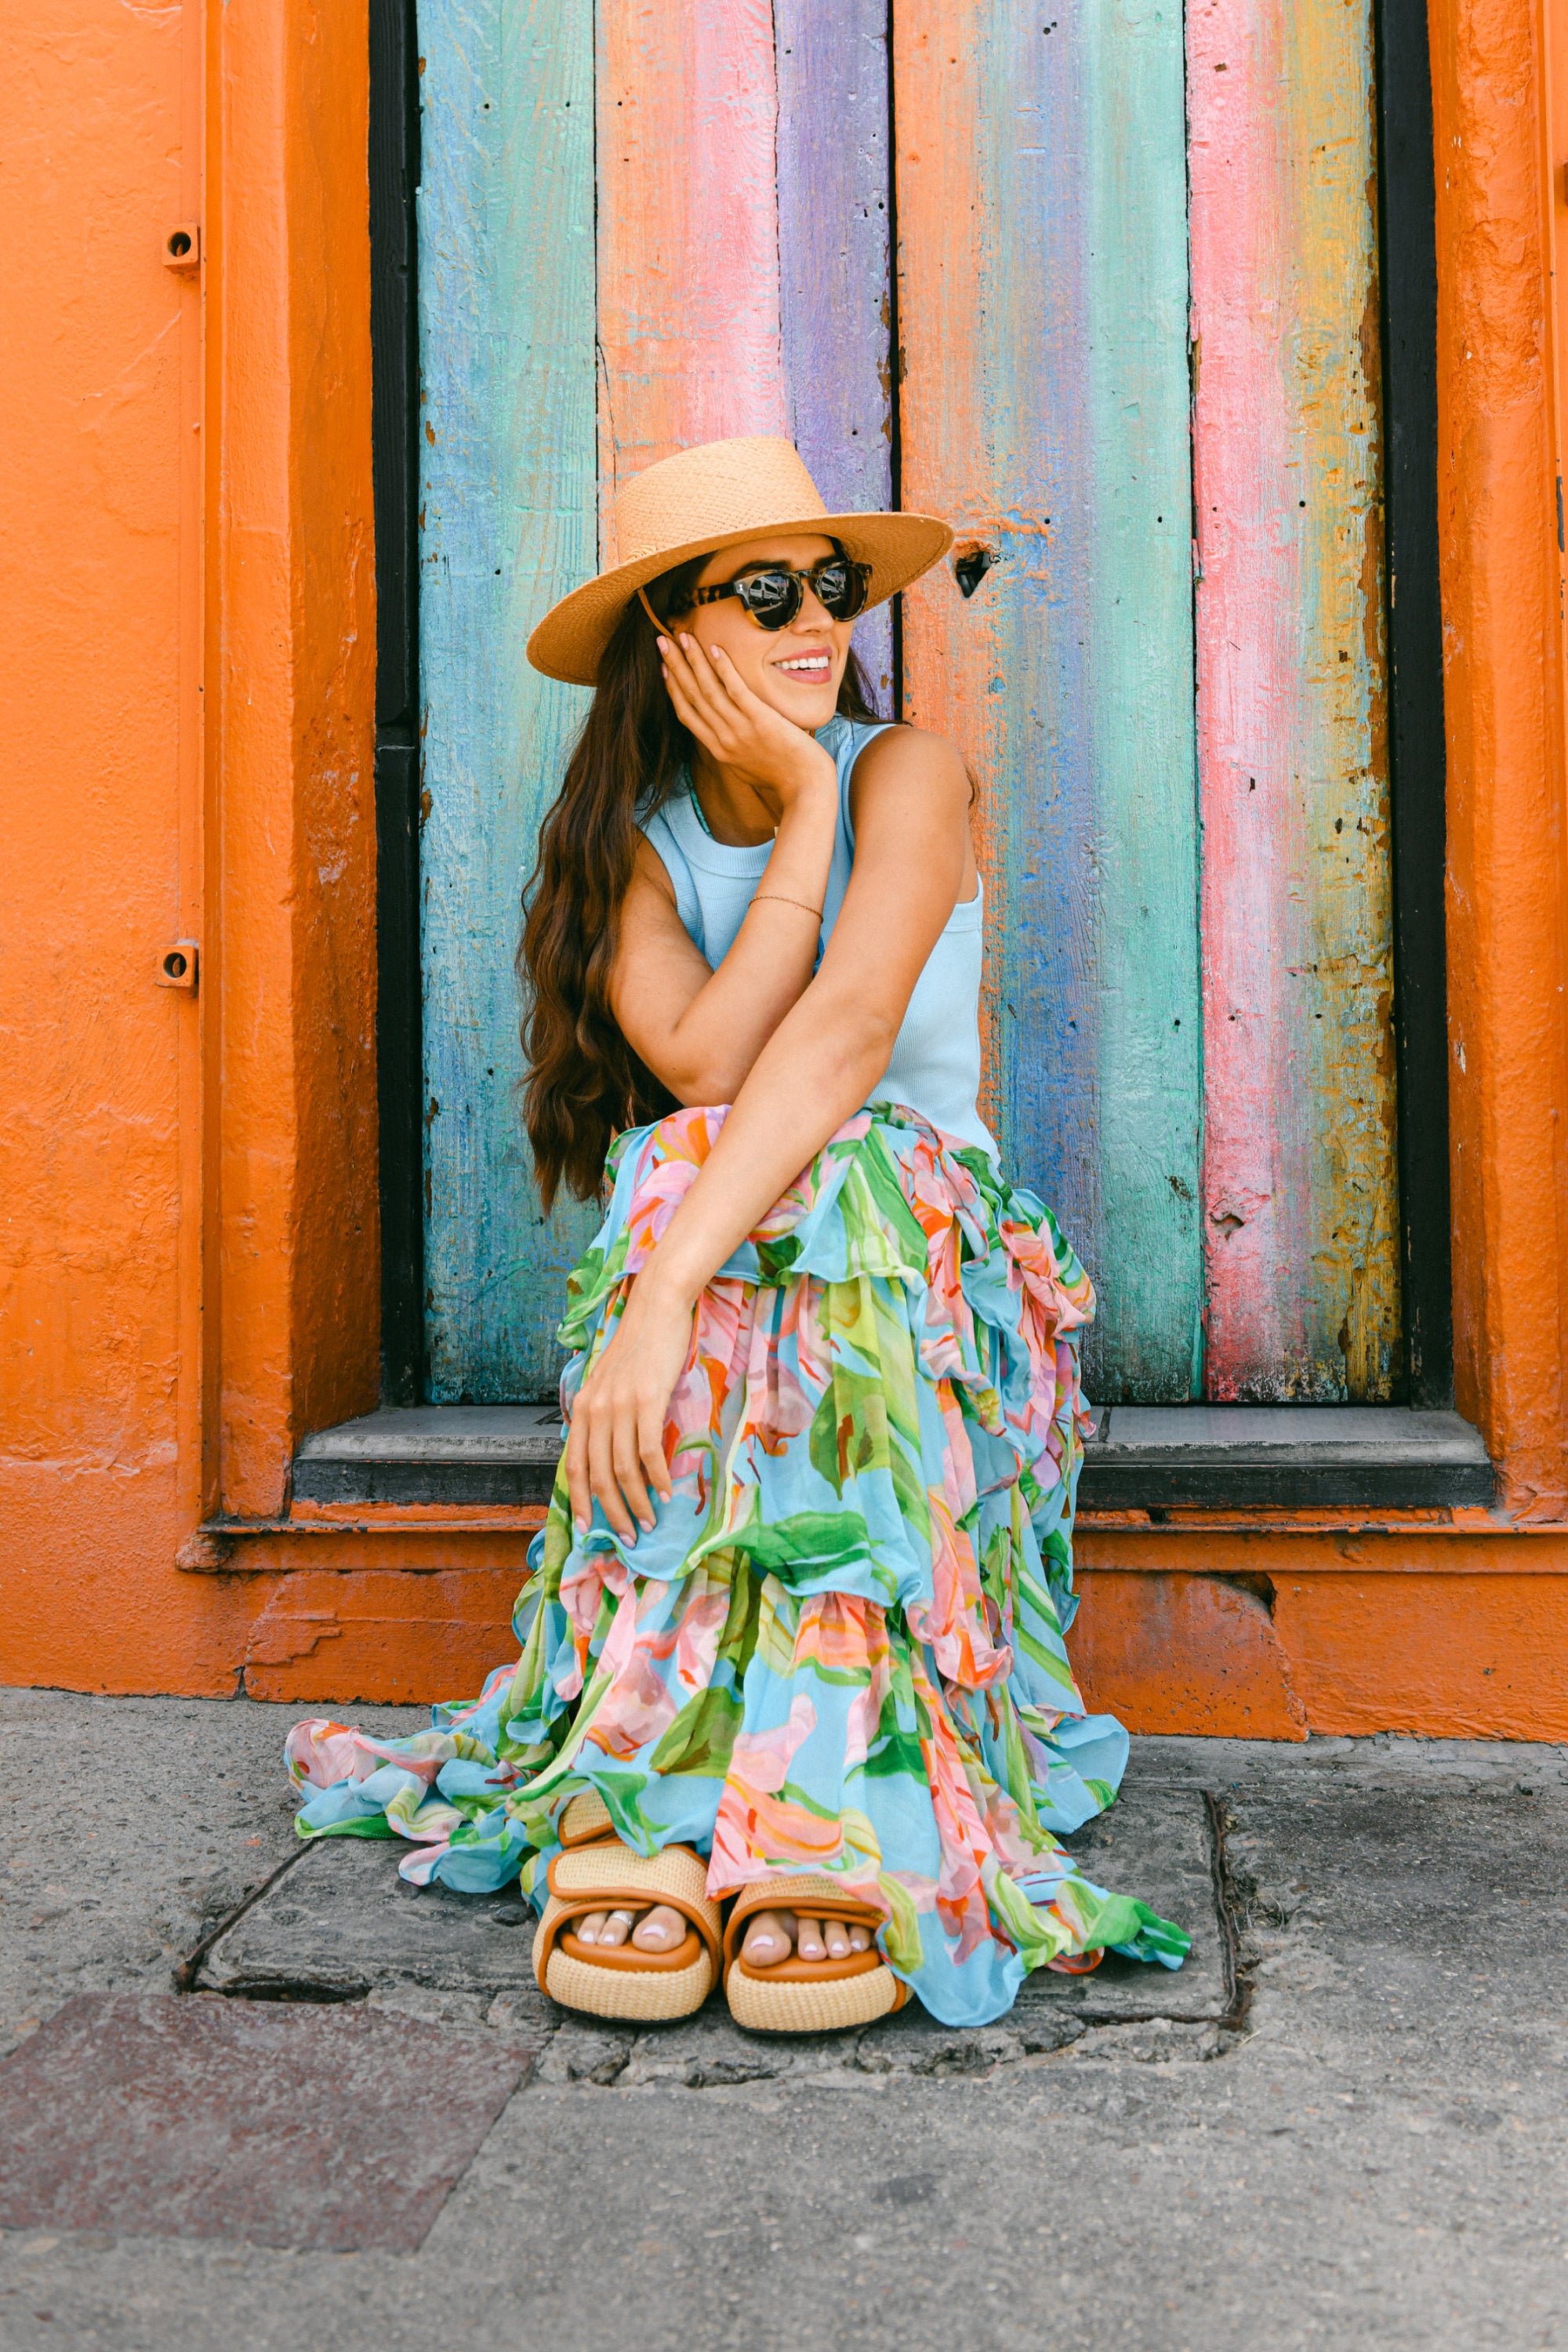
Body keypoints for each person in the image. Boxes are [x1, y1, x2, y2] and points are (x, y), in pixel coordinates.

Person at [285, 435, 1189, 2033]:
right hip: (748, 1299)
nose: (817, 618)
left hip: (915, 1295)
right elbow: (705, 1063)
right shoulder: (635, 842)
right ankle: (681, 1778)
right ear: (672, 630)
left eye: (830, 586)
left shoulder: (904, 773)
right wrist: (790, 827)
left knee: (838, 1171)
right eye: (763, 592)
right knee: (693, 1154)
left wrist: (819, 792)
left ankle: (788, 1796)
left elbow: (843, 1036)